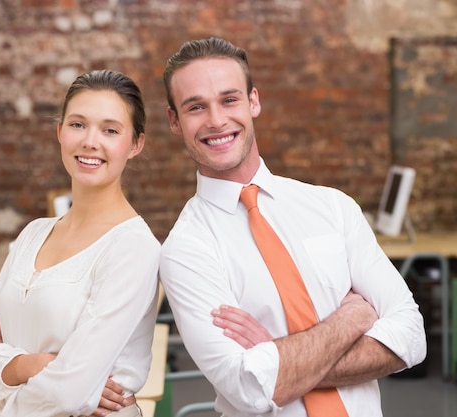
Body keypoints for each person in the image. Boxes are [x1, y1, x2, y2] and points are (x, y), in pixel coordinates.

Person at [158, 37, 427, 417]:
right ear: (174, 121)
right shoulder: (185, 249)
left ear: (253, 101)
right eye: (196, 107)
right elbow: (250, 388)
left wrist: (282, 358)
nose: (216, 120)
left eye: (229, 99)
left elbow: (411, 338)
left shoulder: (333, 207)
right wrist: (351, 319)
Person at [0, 69, 160, 417]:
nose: (90, 141)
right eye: (78, 124)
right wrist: (27, 365)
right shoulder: (33, 234)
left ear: (136, 144)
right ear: (60, 132)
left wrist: (1, 375)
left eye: (110, 130)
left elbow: (67, 396)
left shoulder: (134, 248)